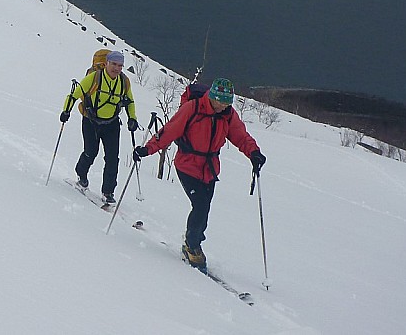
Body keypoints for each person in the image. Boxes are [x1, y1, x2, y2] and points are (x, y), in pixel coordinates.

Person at [132, 77, 266, 270]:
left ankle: (194, 240)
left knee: (205, 207)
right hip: (187, 165)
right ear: (212, 97)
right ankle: (192, 245)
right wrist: (147, 149)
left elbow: (240, 135)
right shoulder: (192, 108)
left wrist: (254, 153)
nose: (223, 106)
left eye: (227, 102)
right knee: (201, 205)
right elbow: (169, 131)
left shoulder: (227, 114)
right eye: (220, 101)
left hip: (210, 168)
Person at [60, 50, 139, 204]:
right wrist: (66, 111)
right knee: (91, 152)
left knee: (112, 158)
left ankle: (108, 192)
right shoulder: (94, 78)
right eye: (114, 64)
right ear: (106, 63)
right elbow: (74, 95)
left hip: (112, 123)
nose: (116, 68)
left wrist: (132, 118)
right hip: (91, 121)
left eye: (120, 66)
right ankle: (81, 175)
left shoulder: (124, 82)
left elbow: (129, 101)